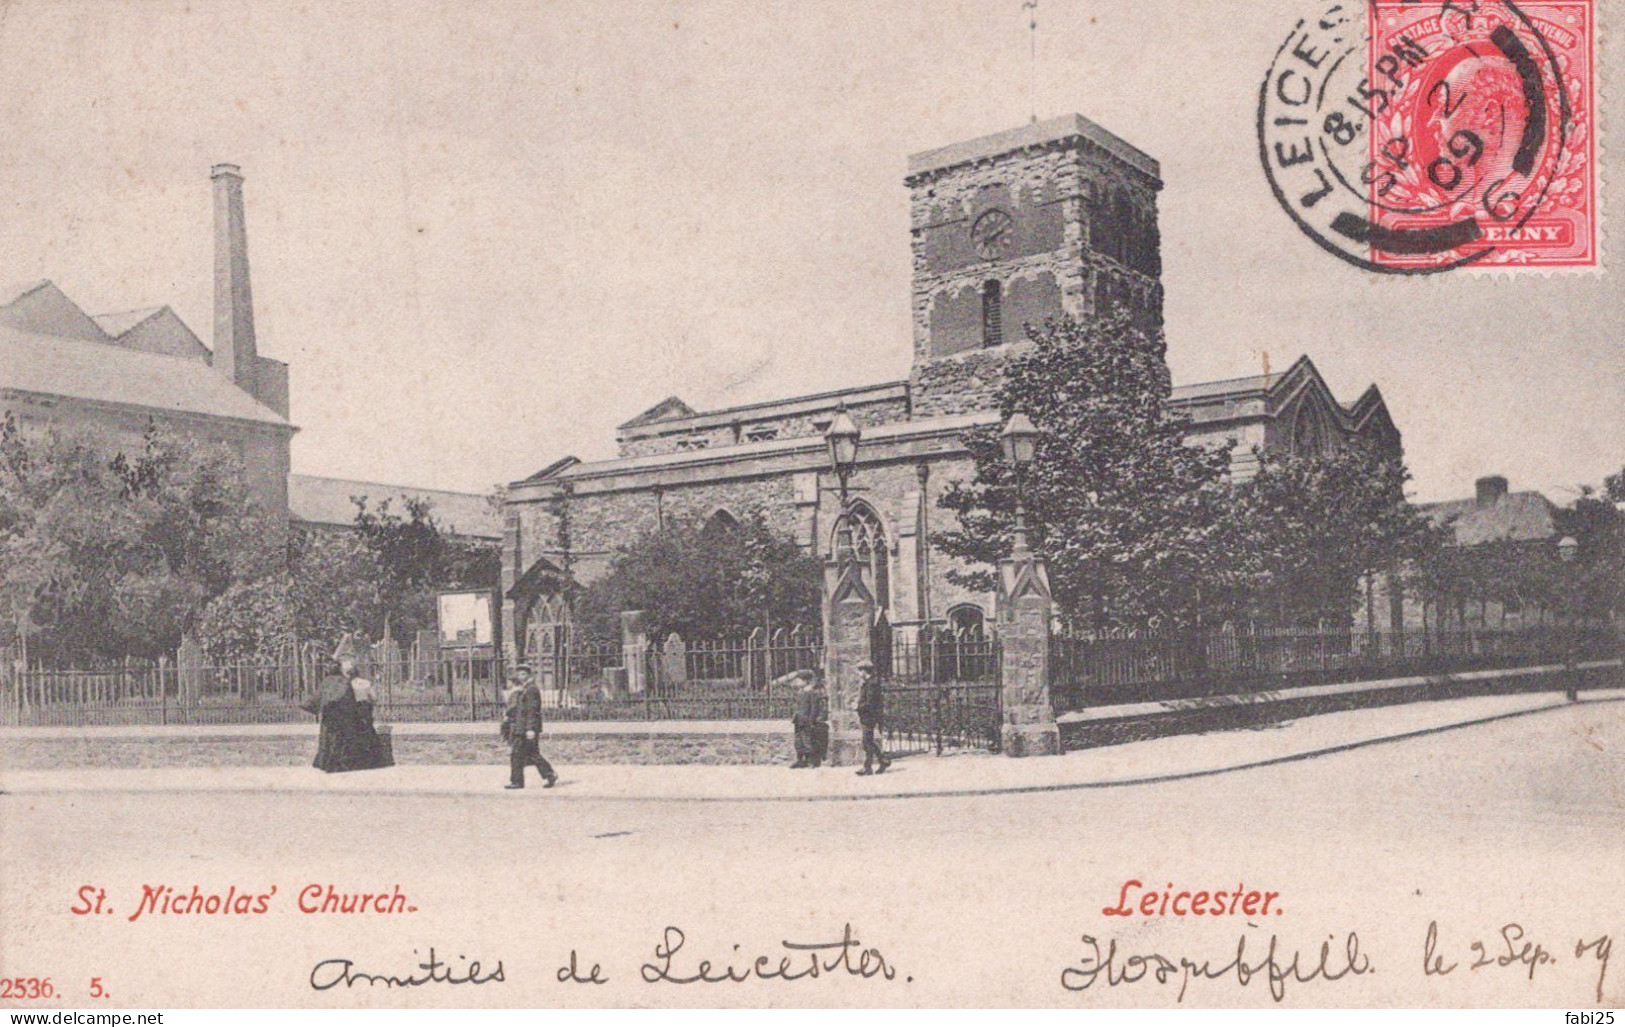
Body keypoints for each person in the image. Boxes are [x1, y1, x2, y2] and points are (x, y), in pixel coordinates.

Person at [301, 634, 389, 773]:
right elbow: (373, 699)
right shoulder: (344, 682)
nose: (350, 663)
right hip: (346, 717)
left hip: (339, 718)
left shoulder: (334, 682)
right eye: (347, 661)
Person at [505, 664, 558, 790]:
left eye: (523, 674)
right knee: (525, 754)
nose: (520, 676)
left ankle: (520, 781)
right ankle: (547, 775)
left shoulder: (532, 689)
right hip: (520, 727)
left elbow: (532, 711)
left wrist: (530, 729)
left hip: (526, 728)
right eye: (518, 674)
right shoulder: (522, 689)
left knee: (525, 754)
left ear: (529, 675)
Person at [854, 658, 890, 776]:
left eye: (860, 671)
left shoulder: (872, 684)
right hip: (867, 715)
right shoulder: (869, 683)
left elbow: (870, 703)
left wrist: (857, 706)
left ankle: (870, 766)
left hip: (870, 716)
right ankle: (880, 761)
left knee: (866, 742)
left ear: (865, 671)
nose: (859, 674)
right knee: (867, 741)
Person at [789, 670, 830, 769]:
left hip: (806, 720)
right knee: (798, 741)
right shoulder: (800, 692)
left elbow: (814, 708)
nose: (797, 683)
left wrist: (811, 720)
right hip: (798, 720)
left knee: (808, 741)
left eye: (798, 680)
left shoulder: (812, 692)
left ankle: (811, 761)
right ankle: (800, 760)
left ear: (805, 681)